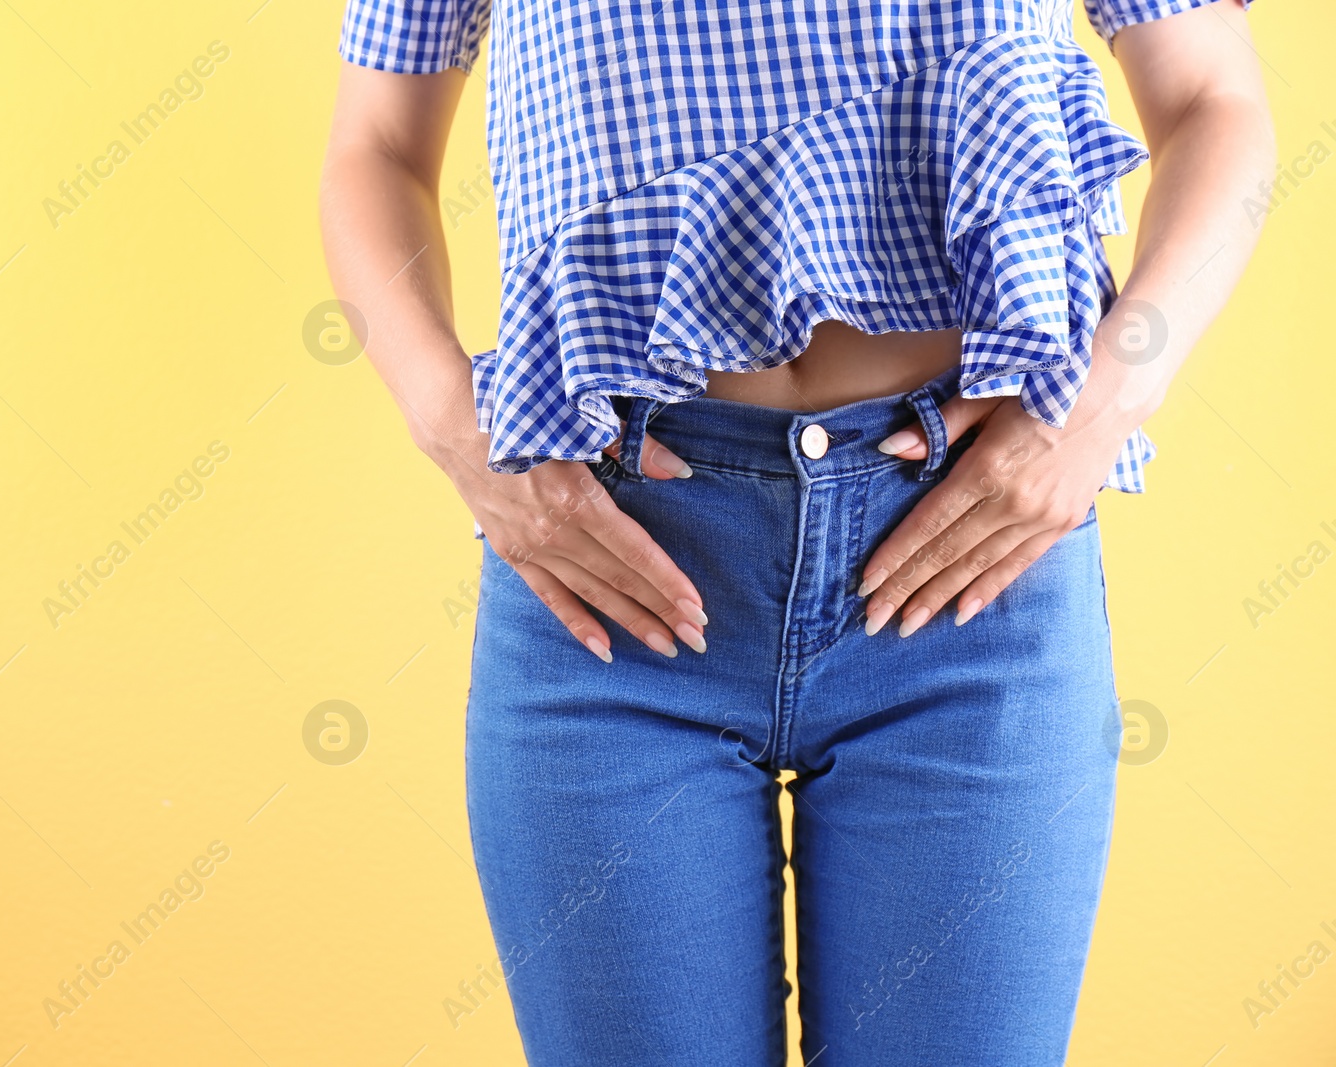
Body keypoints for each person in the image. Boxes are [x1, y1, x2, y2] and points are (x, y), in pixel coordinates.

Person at [320, 0, 1273, 1062]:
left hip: (969, 578)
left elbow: (1214, 100)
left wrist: (1101, 404)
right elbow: (377, 145)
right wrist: (458, 432)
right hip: (608, 584)